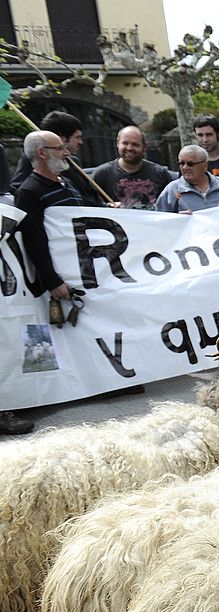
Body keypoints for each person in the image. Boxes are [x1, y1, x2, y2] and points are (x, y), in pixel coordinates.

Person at [13, 131, 87, 421]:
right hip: (54, 279)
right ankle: (42, 392)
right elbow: (34, 242)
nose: (67, 152)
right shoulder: (29, 192)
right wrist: (52, 281)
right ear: (42, 153)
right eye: (60, 148)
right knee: (44, 337)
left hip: (82, 272)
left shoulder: (66, 182)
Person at [7, 111, 99, 202]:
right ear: (61, 137)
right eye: (77, 137)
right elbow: (19, 191)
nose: (80, 142)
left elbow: (88, 194)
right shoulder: (32, 160)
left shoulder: (73, 162)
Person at [89, 126, 174, 209]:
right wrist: (107, 206)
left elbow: (173, 205)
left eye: (135, 144)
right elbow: (90, 206)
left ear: (144, 147)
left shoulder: (160, 174)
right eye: (125, 143)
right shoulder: (101, 175)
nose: (129, 148)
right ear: (117, 143)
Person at [154, 145, 219, 212]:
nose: (185, 167)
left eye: (190, 164)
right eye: (181, 163)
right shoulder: (172, 189)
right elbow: (160, 219)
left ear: (205, 165)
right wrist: (177, 219)